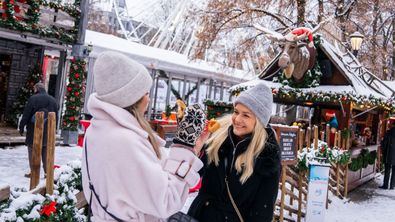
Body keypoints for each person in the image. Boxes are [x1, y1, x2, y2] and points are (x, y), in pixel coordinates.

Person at [81, 51, 206, 221]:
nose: (148, 99)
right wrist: (184, 145)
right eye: (146, 93)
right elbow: (166, 201)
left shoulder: (99, 129)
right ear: (131, 97)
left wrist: (191, 149)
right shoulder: (125, 141)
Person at [188, 83, 281, 222]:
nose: (237, 119)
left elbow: (262, 211)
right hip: (200, 216)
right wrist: (194, 149)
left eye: (246, 115)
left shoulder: (267, 156)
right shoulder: (217, 138)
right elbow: (190, 177)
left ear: (259, 121)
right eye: (236, 112)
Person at [19, 82, 58, 178]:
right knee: (45, 151)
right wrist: (54, 129)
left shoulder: (33, 99)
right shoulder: (53, 100)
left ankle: (34, 172)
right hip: (48, 130)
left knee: (32, 150)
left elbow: (26, 114)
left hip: (33, 130)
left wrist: (21, 126)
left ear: (36, 89)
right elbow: (56, 115)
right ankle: (46, 173)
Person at [380, 123, 395, 189]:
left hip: (388, 155)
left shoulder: (388, 133)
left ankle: (385, 185)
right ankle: (392, 185)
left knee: (387, 170)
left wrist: (383, 151)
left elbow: (384, 144)